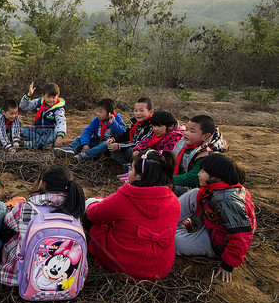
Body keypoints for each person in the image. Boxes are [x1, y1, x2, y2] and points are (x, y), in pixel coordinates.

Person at [85, 150, 180, 281]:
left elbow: (94, 215)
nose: (129, 172)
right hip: (161, 268)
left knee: (91, 222)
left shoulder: (126, 197)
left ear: (139, 176)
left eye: (131, 169)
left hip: (125, 266)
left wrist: (93, 202)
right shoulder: (174, 200)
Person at [0, 164, 85, 286]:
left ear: (41, 183)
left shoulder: (25, 208)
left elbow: (7, 221)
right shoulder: (74, 211)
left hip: (19, 279)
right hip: (63, 285)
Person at [175, 154, 256, 282]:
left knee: (175, 243)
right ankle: (166, 219)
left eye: (202, 171)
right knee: (194, 194)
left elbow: (241, 236)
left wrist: (228, 265)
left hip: (218, 242)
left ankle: (177, 229)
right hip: (212, 224)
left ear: (215, 176)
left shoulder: (227, 200)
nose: (198, 174)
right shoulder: (217, 188)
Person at [54, 98, 126, 162]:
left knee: (105, 144)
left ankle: (85, 155)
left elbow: (123, 133)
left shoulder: (117, 119)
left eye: (100, 112)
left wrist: (113, 123)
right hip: (97, 140)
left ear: (109, 113)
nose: (97, 114)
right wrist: (85, 144)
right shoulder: (97, 120)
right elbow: (87, 131)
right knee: (79, 138)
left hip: (108, 144)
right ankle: (70, 149)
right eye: (97, 111)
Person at [172, 115, 227, 196]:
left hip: (199, 189)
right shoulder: (185, 145)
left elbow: (193, 178)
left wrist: (167, 179)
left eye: (192, 131)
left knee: (169, 188)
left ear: (206, 136)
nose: (186, 133)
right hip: (181, 180)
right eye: (186, 129)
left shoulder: (206, 154)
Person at [106, 97, 154, 169]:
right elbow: (127, 134)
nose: (138, 113)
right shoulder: (136, 123)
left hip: (143, 149)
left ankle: (134, 166)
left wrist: (120, 146)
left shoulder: (151, 126)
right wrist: (113, 139)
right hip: (131, 146)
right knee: (113, 149)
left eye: (141, 111)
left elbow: (141, 143)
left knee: (130, 151)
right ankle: (126, 165)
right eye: (135, 110)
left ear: (150, 112)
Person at [19, 82, 66, 149]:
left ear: (57, 96)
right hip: (37, 130)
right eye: (48, 97)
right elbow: (23, 106)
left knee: (56, 133)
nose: (51, 100)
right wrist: (28, 95)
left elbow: (61, 122)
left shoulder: (58, 109)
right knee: (20, 130)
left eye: (53, 97)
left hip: (49, 132)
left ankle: (31, 144)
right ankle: (45, 143)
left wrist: (60, 137)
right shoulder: (38, 102)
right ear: (43, 95)